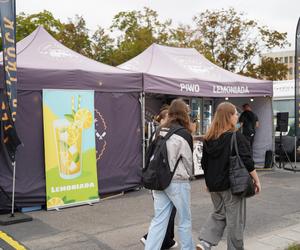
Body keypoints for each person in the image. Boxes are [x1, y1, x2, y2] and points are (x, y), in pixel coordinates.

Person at [196, 102, 261, 250]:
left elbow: (204, 163)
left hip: (214, 186)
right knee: (235, 221)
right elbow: (248, 162)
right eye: (235, 114)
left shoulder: (208, 138)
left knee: (219, 213)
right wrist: (257, 180)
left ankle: (206, 242)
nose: (237, 116)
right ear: (228, 117)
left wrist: (208, 183)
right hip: (232, 186)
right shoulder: (235, 137)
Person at [145, 98, 195, 250]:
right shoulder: (183, 134)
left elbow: (150, 153)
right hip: (177, 181)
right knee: (185, 220)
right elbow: (188, 161)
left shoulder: (158, 130)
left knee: (159, 220)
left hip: (158, 180)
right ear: (184, 114)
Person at [141, 105, 178, 249]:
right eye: (168, 117)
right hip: (160, 179)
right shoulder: (160, 134)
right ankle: (150, 238)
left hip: (156, 178)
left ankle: (168, 239)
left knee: (166, 212)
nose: (171, 120)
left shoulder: (158, 133)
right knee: (165, 213)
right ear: (162, 119)